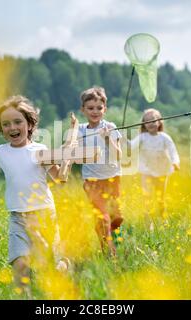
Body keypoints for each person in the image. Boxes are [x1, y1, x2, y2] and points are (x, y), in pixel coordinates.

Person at [0, 95, 66, 295]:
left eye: (17, 122)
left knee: (49, 264)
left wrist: (65, 161)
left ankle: (62, 271)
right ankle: (23, 296)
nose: (12, 128)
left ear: (29, 124)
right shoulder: (1, 151)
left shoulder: (40, 150)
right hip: (18, 217)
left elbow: (58, 177)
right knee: (20, 263)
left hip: (43, 214)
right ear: (1, 128)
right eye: (6, 124)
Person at [78, 86, 123, 257]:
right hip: (92, 181)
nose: (95, 111)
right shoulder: (81, 130)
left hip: (112, 179)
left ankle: (116, 244)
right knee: (102, 218)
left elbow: (118, 155)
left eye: (99, 108)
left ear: (105, 109)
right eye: (90, 108)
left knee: (116, 218)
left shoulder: (110, 127)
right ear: (83, 110)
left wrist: (106, 138)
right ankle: (109, 252)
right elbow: (75, 153)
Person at [131, 108, 180, 229]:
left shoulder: (164, 137)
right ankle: (149, 223)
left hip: (162, 170)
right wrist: (118, 140)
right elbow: (131, 146)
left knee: (160, 197)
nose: (151, 123)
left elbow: (172, 150)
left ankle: (163, 220)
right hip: (147, 171)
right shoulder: (142, 137)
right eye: (147, 121)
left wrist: (175, 162)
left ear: (159, 122)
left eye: (153, 120)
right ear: (143, 124)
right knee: (147, 197)